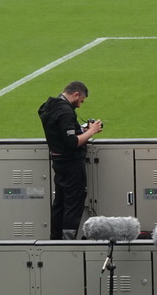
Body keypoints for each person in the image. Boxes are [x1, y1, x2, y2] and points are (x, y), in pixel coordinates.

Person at [37, 81, 103, 240]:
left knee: (59, 202)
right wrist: (92, 131)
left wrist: (81, 130)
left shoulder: (49, 106)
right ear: (75, 94)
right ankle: (68, 242)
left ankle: (55, 239)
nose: (80, 105)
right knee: (73, 203)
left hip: (58, 161)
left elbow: (63, 133)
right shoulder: (65, 112)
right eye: (81, 101)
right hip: (71, 163)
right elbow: (72, 143)